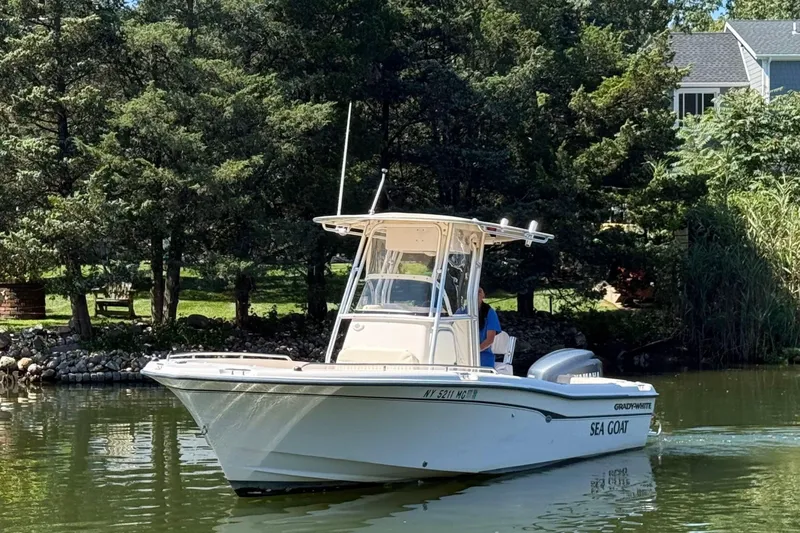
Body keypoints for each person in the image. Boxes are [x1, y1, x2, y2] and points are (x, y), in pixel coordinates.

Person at [478, 287, 501, 367]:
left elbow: (489, 340)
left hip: (484, 359)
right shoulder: (462, 312)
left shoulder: (490, 313)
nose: (477, 294)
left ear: (483, 295)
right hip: (462, 358)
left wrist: (474, 352)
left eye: (479, 291)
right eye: (474, 291)